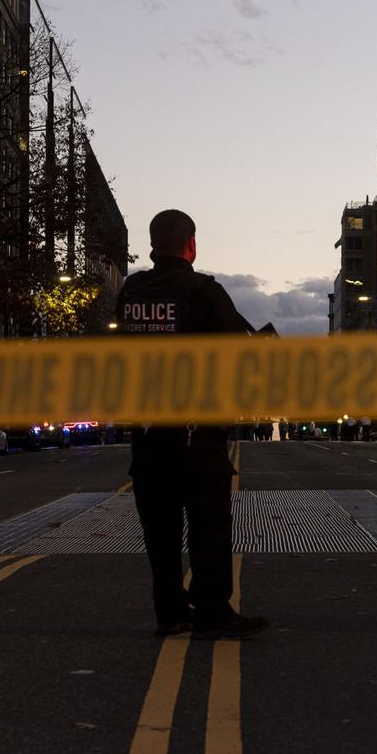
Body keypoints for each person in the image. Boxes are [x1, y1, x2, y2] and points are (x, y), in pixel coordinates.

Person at [116, 209, 269, 640]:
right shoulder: (204, 291)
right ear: (191, 244)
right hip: (195, 432)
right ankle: (212, 610)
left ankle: (169, 611)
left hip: (147, 433)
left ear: (152, 244)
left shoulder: (131, 291)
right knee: (209, 525)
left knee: (159, 529)